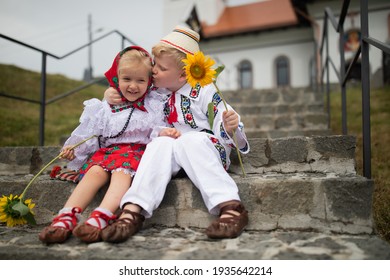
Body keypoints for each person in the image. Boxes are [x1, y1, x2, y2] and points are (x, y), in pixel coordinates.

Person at [101, 25, 250, 242]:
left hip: (203, 151)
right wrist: (110, 93)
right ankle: (133, 210)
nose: (153, 71)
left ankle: (230, 207)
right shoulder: (154, 92)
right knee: (159, 144)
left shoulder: (204, 90)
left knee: (191, 141)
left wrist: (230, 127)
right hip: (170, 156)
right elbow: (130, 93)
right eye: (154, 64)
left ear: (182, 75)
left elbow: (224, 119)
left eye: (160, 68)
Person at [39, 46, 178, 244]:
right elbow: (92, 131)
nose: (133, 86)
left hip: (135, 153)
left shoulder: (153, 103)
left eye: (140, 80)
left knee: (121, 174)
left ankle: (101, 216)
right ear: (116, 79)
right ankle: (66, 216)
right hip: (107, 153)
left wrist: (164, 132)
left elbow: (154, 128)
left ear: (149, 82)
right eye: (127, 79)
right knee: (94, 172)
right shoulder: (107, 106)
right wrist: (75, 148)